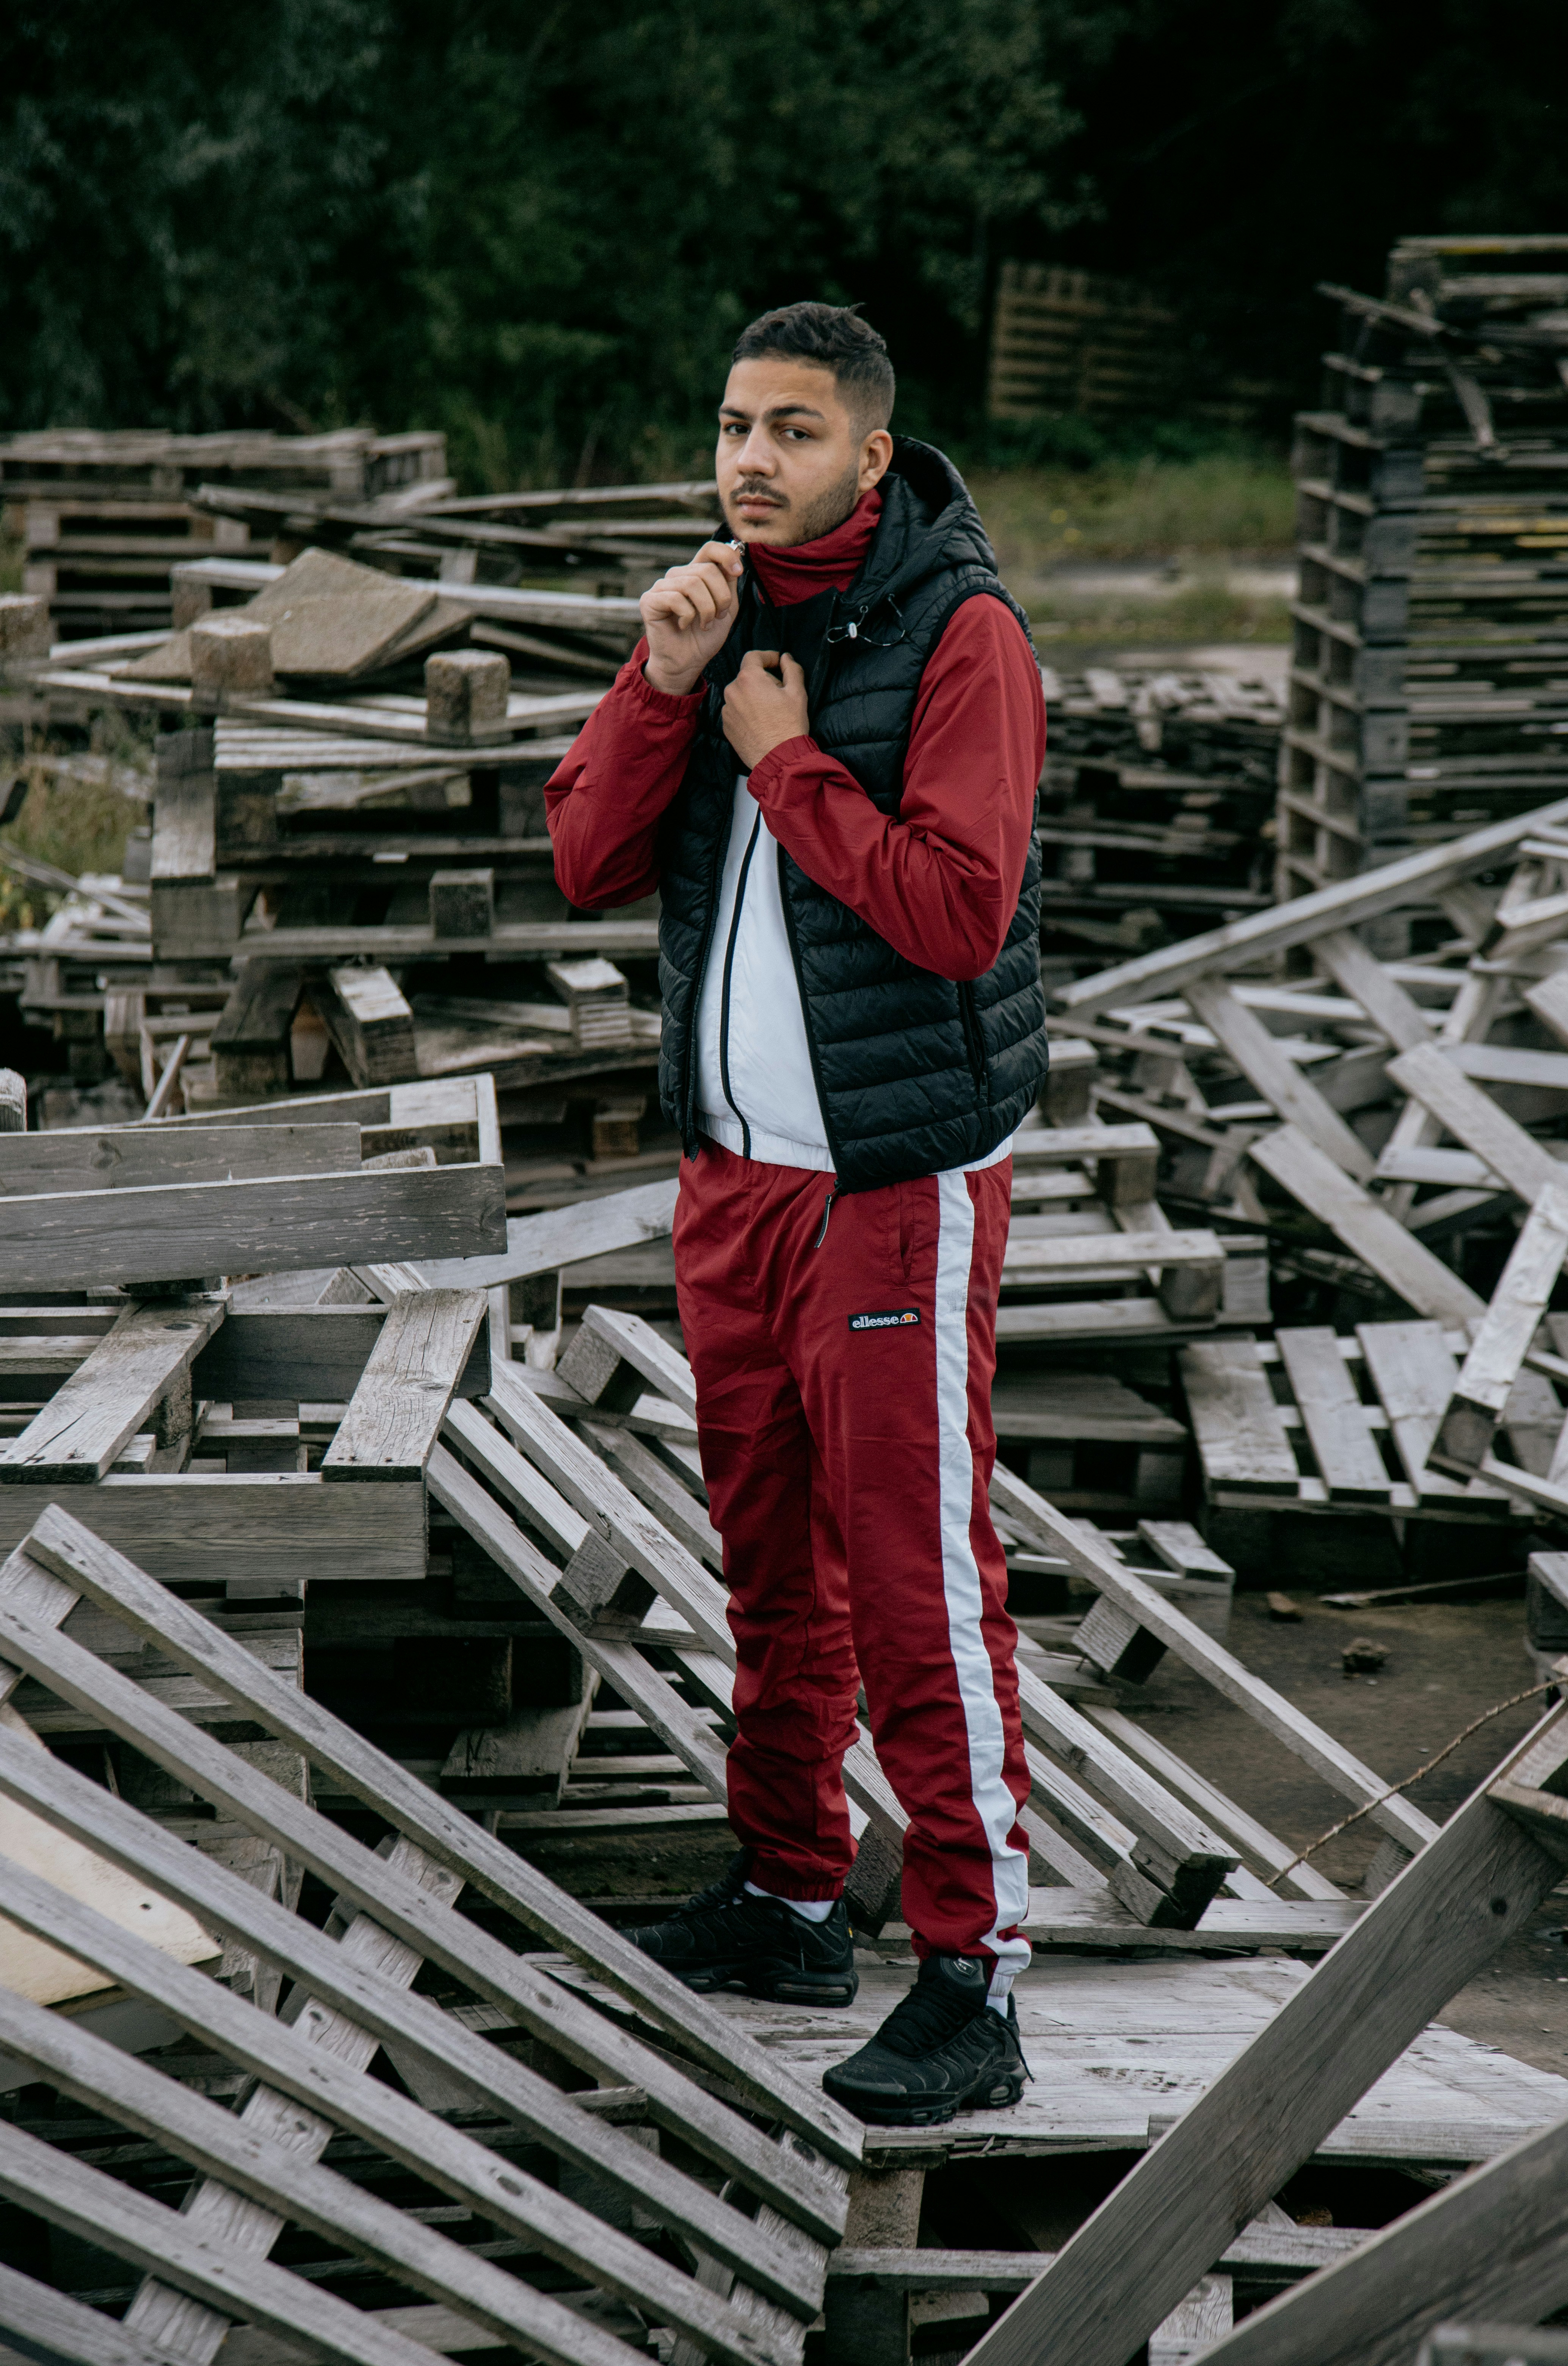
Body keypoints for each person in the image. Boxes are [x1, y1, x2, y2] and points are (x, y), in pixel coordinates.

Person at [544, 300, 1047, 2127]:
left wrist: (778, 755)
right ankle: (782, 1893)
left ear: (872, 451)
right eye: (733, 423)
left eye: (793, 430)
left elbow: (950, 914)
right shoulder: (718, 615)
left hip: (888, 1190)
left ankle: (975, 1978)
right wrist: (658, 688)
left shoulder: (960, 635)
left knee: (917, 1592)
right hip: (733, 1178)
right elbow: (585, 856)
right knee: (769, 1565)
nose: (750, 459)